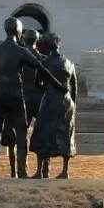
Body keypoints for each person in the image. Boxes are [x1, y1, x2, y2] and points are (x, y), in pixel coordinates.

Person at [0, 17, 66, 179]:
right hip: (15, 93)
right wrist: (58, 85)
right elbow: (40, 68)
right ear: (18, 31)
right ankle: (22, 171)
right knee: (21, 133)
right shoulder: (21, 51)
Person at [30, 32, 78, 179]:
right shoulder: (69, 63)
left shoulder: (44, 63)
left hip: (50, 100)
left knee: (42, 132)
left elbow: (37, 82)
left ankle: (39, 170)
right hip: (66, 102)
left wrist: (46, 89)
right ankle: (65, 170)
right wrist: (73, 104)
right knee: (66, 133)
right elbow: (74, 86)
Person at [21, 29, 49, 178]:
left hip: (23, 99)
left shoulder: (18, 57)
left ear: (24, 39)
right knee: (42, 134)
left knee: (21, 136)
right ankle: (43, 170)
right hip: (39, 99)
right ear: (37, 41)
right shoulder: (43, 58)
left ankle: (22, 170)